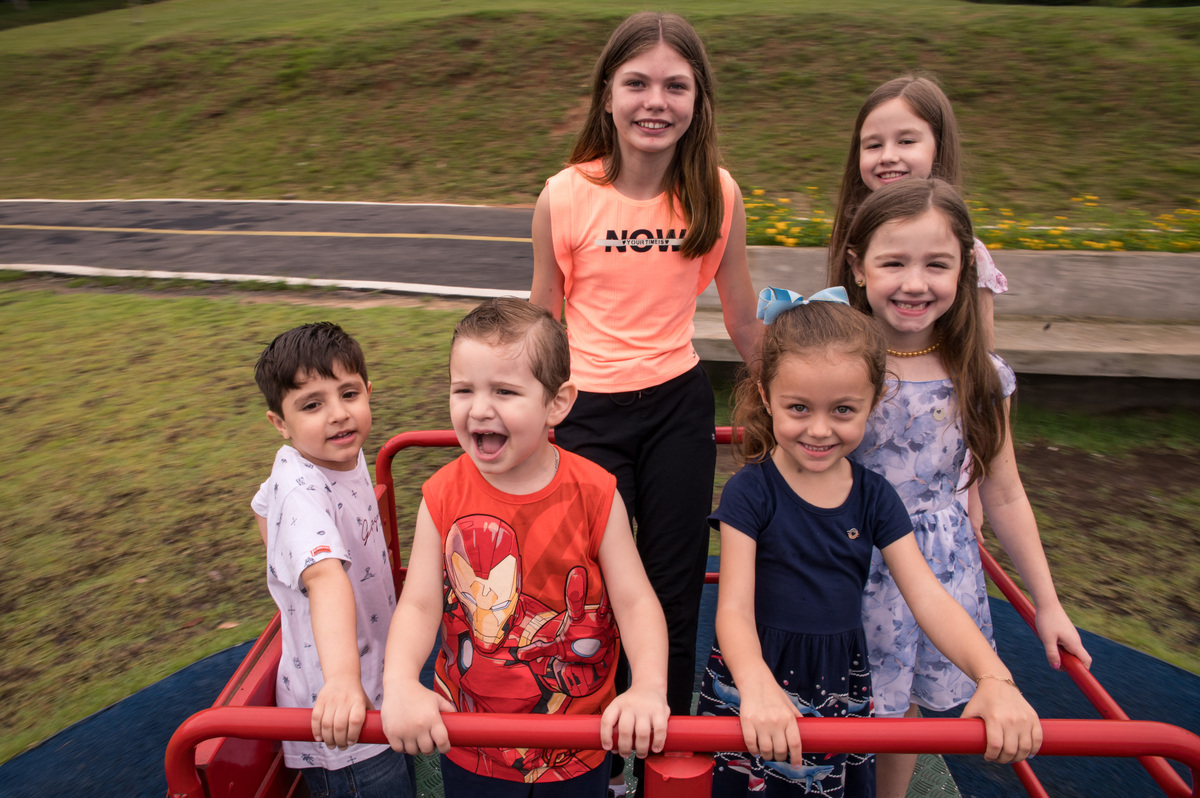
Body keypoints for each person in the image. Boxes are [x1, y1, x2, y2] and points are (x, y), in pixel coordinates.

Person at [529, 17, 761, 792]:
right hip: (586, 409)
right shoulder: (565, 197)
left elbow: (742, 321)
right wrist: (516, 414)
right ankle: (585, 742)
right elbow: (540, 326)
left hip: (675, 409)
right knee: (586, 586)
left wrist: (805, 407)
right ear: (607, 95)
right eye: (637, 82)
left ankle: (663, 745)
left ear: (698, 100)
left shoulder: (716, 193)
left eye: (675, 85)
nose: (654, 102)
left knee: (672, 581)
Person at [695, 287, 1041, 797]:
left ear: (873, 402)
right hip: (757, 671)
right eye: (798, 407)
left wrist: (995, 678)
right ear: (766, 397)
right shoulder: (752, 490)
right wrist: (757, 686)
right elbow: (734, 610)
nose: (818, 430)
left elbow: (927, 597)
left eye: (842, 410)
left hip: (840, 679)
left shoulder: (874, 497)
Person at [829, 178, 1092, 798]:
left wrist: (1048, 602)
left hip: (932, 565)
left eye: (936, 265)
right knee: (824, 694)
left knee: (902, 711)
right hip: (841, 552)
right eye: (893, 262)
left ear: (963, 270)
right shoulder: (841, 356)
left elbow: (1003, 492)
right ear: (858, 267)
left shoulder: (976, 374)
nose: (914, 283)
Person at [380, 298, 670, 797]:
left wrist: (647, 685)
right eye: (463, 389)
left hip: (576, 743)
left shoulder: (596, 493)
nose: (480, 408)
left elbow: (635, 600)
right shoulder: (442, 494)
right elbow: (422, 601)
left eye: (505, 390)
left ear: (557, 402)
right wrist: (402, 681)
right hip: (471, 740)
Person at [827, 74, 1010, 538]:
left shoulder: (962, 252)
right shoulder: (853, 241)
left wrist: (971, 482)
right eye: (874, 144)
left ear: (938, 147)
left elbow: (976, 374)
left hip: (932, 460)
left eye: (906, 140)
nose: (889, 155)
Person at [251, 322, 412, 798]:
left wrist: (283, 574)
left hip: (374, 677)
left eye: (348, 393)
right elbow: (323, 579)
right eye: (312, 405)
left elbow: (260, 505)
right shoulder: (302, 490)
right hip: (342, 715)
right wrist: (341, 681)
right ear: (280, 424)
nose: (339, 415)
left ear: (368, 392)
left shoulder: (339, 452)